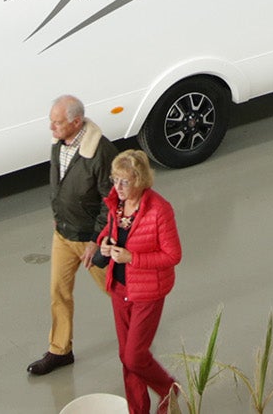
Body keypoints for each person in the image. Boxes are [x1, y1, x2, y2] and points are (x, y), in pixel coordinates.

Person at [29, 94, 113, 377]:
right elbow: (60, 183)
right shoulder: (58, 144)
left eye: (57, 122)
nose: (51, 127)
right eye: (51, 121)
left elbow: (111, 200)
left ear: (76, 122)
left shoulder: (100, 153)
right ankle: (59, 351)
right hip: (63, 234)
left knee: (118, 292)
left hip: (90, 240)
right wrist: (57, 215)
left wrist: (96, 240)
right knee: (58, 293)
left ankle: (137, 339)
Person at [96, 149, 182, 414]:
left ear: (140, 180)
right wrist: (105, 245)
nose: (118, 187)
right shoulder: (116, 204)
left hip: (148, 292)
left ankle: (170, 389)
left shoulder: (159, 210)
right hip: (119, 288)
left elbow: (173, 255)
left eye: (125, 181)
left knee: (134, 355)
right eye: (115, 180)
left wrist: (132, 257)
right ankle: (138, 411)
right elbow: (108, 233)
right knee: (127, 358)